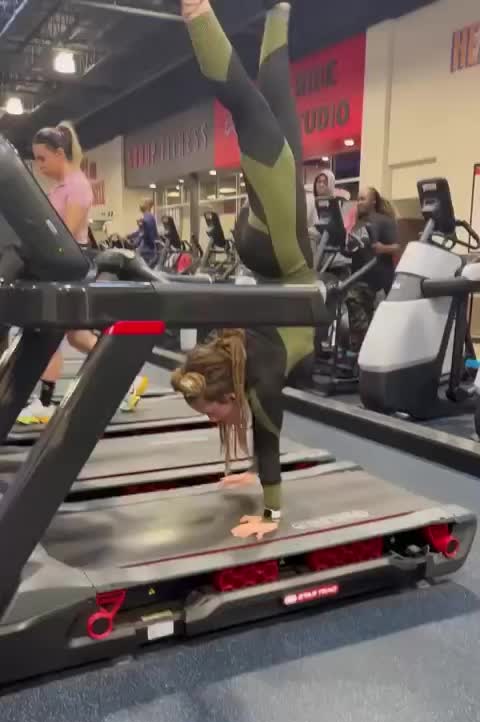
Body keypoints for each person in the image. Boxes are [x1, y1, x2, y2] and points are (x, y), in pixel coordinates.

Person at [172, 0, 318, 541]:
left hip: (275, 241)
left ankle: (202, 13)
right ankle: (278, 11)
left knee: (252, 101)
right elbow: (268, 436)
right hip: (278, 248)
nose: (210, 419)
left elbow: (268, 442)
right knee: (271, 97)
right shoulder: (255, 375)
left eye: (209, 412)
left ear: (227, 393)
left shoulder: (247, 363)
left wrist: (270, 517)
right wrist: (255, 477)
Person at [18, 123, 148, 423]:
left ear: (59, 153)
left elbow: (65, 235)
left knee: (47, 331)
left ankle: (45, 403)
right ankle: (130, 380)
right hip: (58, 266)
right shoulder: (59, 187)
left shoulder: (77, 185)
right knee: (77, 337)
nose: (39, 165)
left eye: (42, 158)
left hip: (69, 267)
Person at [346, 187, 400, 353]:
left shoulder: (384, 221)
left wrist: (382, 248)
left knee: (355, 303)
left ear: (373, 201)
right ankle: (361, 351)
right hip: (359, 278)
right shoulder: (358, 223)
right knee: (354, 309)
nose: (359, 202)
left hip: (378, 281)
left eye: (363, 199)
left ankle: (368, 345)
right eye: (358, 199)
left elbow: (397, 247)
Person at [138, 199, 160, 265]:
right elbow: (145, 233)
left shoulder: (147, 217)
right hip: (147, 250)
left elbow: (147, 234)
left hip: (146, 250)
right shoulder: (148, 217)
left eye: (144, 203)